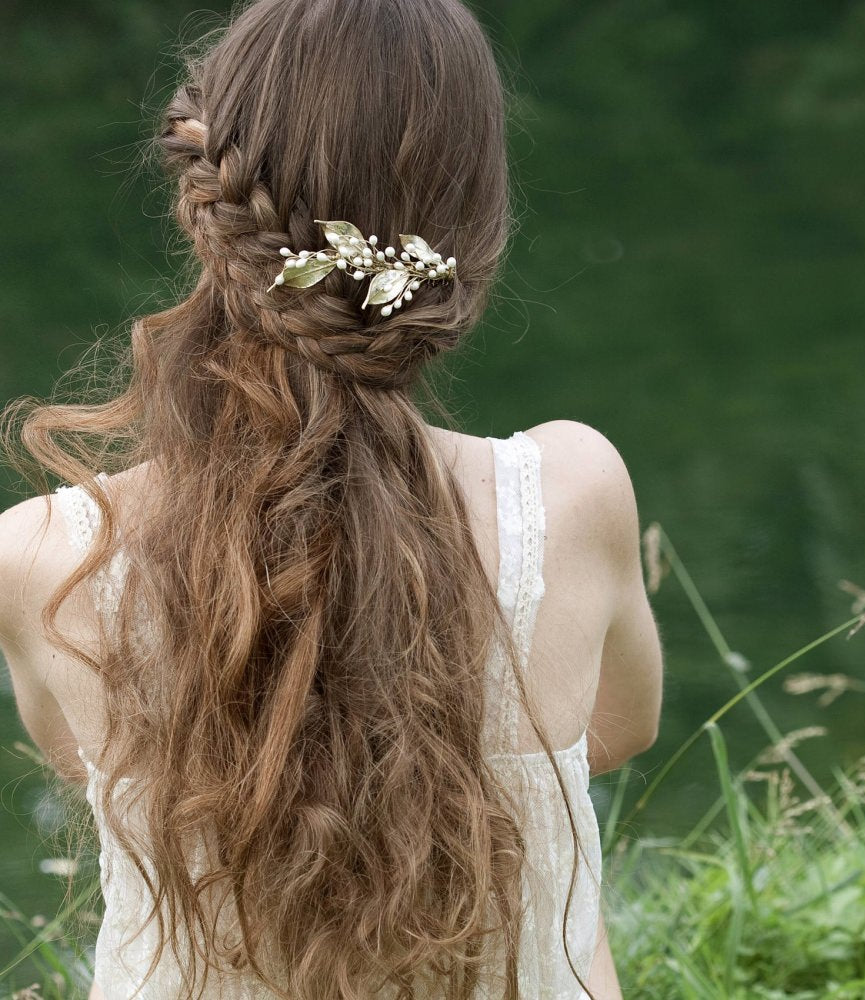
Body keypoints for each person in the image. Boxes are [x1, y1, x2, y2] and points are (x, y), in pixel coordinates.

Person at [0, 0, 664, 997]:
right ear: (468, 233)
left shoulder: (44, 554)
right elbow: (616, 726)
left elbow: (77, 758)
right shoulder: (571, 495)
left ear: (212, 204)